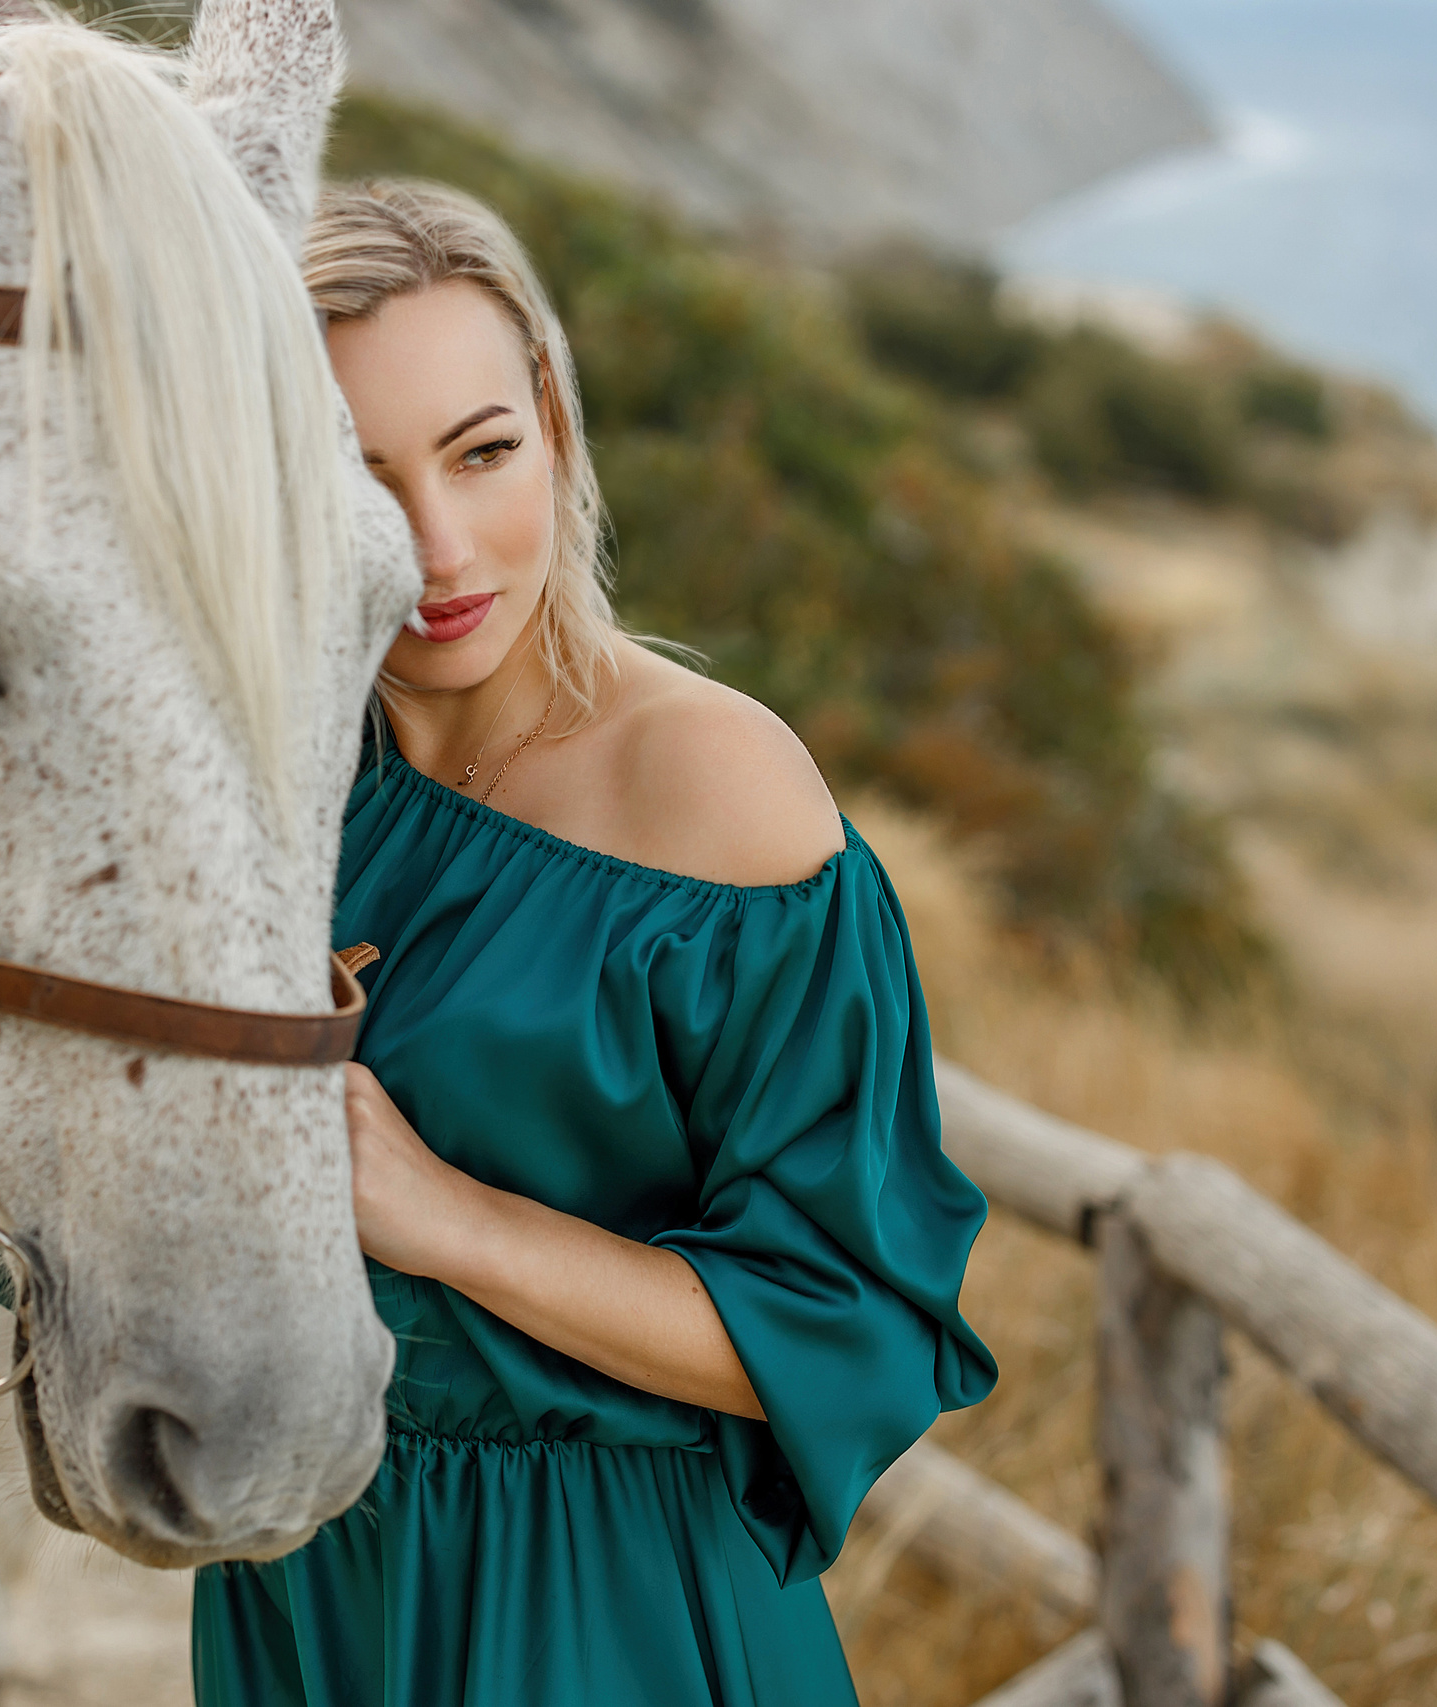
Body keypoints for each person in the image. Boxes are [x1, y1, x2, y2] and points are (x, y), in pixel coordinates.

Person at [189, 179, 998, 1707]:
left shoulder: (714, 786)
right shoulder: (251, 770)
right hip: (301, 1584)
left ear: (554, 425)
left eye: (482, 452)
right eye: (357, 476)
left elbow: (844, 1324)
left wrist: (442, 1216)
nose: (439, 550)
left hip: (604, 1607)